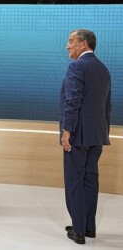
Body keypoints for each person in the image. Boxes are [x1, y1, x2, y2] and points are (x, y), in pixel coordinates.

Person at [59, 29, 111, 245]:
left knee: (74, 182)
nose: (67, 46)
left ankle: (78, 230)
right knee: (90, 180)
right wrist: (103, 133)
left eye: (71, 41)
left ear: (83, 44)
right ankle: (89, 227)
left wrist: (67, 131)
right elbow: (107, 106)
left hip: (77, 136)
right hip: (97, 135)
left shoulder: (77, 67)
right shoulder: (103, 69)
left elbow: (72, 101)